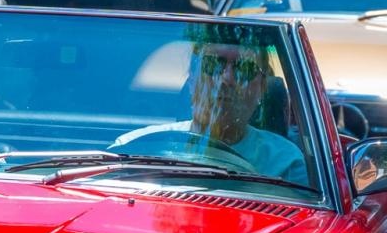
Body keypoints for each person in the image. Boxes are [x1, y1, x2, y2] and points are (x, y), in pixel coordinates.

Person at [111, 39, 309, 187]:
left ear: (262, 88)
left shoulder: (286, 164)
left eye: (245, 69)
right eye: (212, 65)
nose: (226, 79)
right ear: (191, 81)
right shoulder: (134, 149)